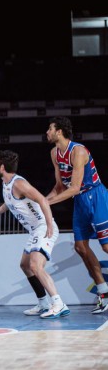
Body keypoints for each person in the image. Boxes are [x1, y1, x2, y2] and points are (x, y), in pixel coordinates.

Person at [0, 150, 69, 318]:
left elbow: (43, 200)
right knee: (25, 265)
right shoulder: (6, 183)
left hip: (44, 226)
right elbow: (10, 202)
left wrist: (49, 224)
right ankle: (44, 303)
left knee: (36, 266)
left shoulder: (19, 183)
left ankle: (58, 304)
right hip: (35, 229)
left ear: (2, 167)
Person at [46, 116, 108, 314]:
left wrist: (46, 203)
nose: (47, 132)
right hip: (80, 201)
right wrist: (41, 201)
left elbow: (74, 188)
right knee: (81, 248)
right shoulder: (55, 153)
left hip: (95, 196)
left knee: (106, 246)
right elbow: (59, 187)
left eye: (50, 129)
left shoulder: (78, 151)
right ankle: (103, 292)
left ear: (59, 131)